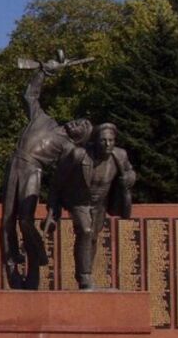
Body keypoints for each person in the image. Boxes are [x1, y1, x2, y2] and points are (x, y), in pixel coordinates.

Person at [1, 63, 92, 289]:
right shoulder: (44, 119)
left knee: (25, 220)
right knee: (6, 222)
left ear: (80, 137)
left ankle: (35, 261)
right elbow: (29, 94)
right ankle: (12, 270)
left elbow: (63, 177)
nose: (77, 123)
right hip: (14, 164)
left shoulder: (69, 147)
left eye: (82, 126)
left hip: (33, 170)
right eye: (79, 120)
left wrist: (56, 206)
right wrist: (44, 71)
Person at [45, 122, 136, 289]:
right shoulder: (79, 155)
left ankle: (87, 275)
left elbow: (130, 171)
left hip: (100, 204)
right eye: (103, 141)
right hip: (78, 201)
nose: (107, 144)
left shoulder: (120, 155)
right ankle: (84, 277)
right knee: (85, 232)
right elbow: (57, 180)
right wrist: (53, 207)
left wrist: (130, 179)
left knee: (93, 237)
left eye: (111, 140)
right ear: (96, 141)